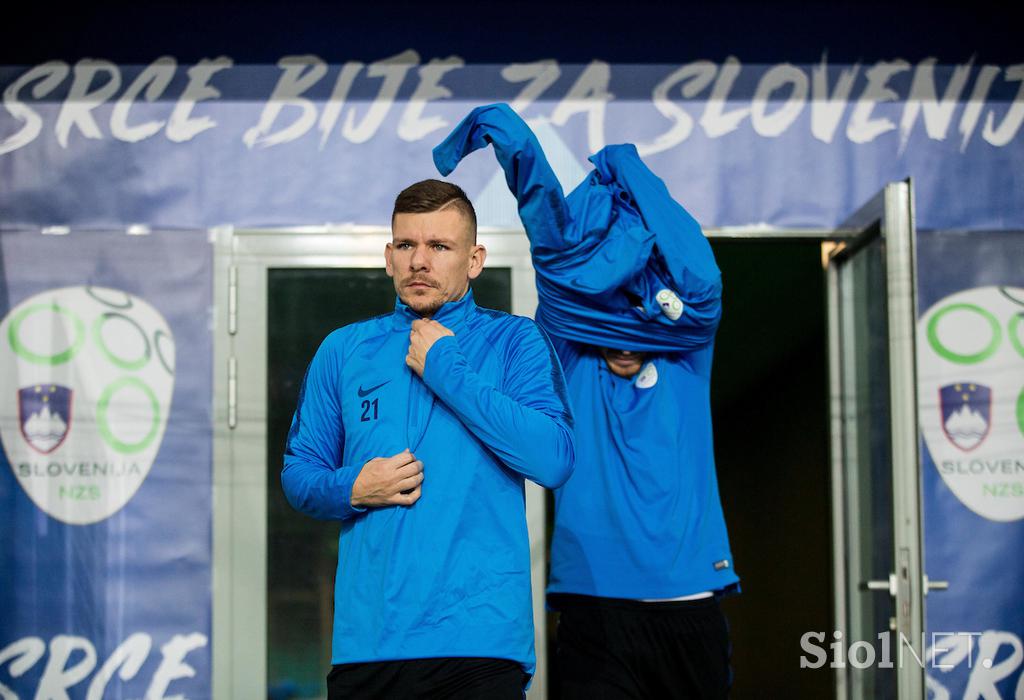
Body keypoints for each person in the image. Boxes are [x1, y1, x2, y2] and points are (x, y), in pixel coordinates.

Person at [434, 104, 740, 699]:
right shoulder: (565, 342)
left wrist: (628, 168)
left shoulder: (689, 346)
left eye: (635, 295)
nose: (622, 315)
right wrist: (511, 140)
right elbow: (554, 246)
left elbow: (699, 280)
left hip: (690, 601)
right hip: (592, 606)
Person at [281, 179, 576, 699]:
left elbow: (553, 459)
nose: (420, 261)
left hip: (479, 647)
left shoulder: (515, 341)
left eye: (439, 247)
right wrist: (353, 487)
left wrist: (446, 367)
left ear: (474, 259)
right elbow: (299, 474)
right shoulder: (343, 350)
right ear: (389, 256)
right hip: (368, 646)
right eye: (406, 245)